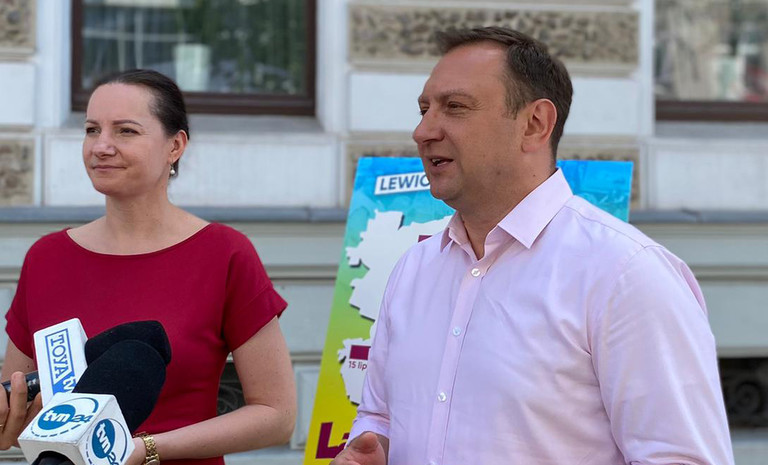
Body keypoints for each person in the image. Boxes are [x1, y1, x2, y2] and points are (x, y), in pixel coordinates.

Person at [332, 27, 734, 465]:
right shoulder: (413, 269)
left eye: (455, 107)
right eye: (424, 109)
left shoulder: (625, 275)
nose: (422, 131)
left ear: (535, 124)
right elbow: (380, 417)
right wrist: (370, 450)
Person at [0, 69, 296, 465]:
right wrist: (12, 423)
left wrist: (143, 449)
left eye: (126, 131)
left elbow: (276, 415)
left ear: (175, 145)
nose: (101, 146)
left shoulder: (224, 254)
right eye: (91, 130)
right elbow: (17, 410)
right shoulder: (46, 258)